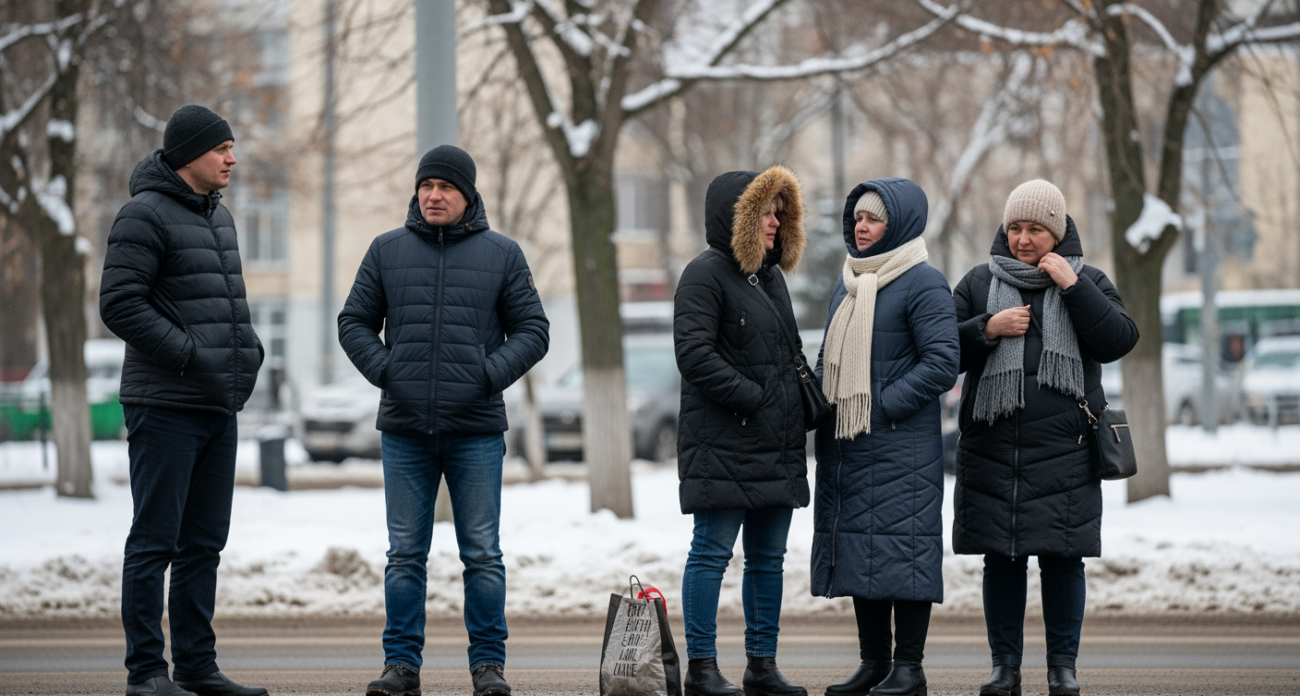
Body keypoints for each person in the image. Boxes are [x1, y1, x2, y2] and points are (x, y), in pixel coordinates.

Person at [338, 144, 549, 696]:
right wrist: (387, 371)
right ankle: (401, 667)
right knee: (404, 555)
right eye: (426, 185)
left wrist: (487, 374)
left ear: (468, 195)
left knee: (482, 554)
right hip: (405, 429)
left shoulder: (502, 254)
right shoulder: (386, 250)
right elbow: (353, 321)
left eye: (446, 186)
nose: (434, 195)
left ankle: (489, 667)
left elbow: (534, 330)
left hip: (476, 429)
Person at [100, 104, 267, 696]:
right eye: (221, 148)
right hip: (165, 403)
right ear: (189, 154)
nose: (232, 158)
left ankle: (196, 666)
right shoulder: (143, 214)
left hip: (216, 406)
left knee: (203, 545)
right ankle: (147, 672)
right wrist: (189, 354)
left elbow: (226, 306)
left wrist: (248, 354)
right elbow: (119, 303)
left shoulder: (219, 217)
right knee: (155, 542)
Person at [951, 180, 1138, 696]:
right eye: (1015, 227)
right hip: (994, 452)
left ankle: (1062, 669)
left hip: (1066, 452)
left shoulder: (1088, 279)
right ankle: (1004, 668)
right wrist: (987, 329)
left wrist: (1072, 288)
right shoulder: (978, 282)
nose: (1023, 239)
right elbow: (942, 351)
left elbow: (1119, 339)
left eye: (1035, 229)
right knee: (1001, 560)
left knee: (1063, 558)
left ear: (1056, 232)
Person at [811, 178, 960, 696]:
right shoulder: (849, 281)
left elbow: (942, 362)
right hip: (849, 444)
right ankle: (873, 663)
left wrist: (880, 406)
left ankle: (909, 668)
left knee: (905, 552)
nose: (862, 227)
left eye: (873, 219)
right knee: (860, 550)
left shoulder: (924, 282)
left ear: (899, 224)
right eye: (858, 218)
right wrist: (817, 397)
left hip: (902, 445)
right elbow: (829, 355)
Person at [673, 166, 810, 696]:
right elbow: (694, 355)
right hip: (724, 442)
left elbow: (787, 354)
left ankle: (762, 665)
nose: (775, 221)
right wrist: (754, 398)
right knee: (711, 553)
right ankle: (702, 669)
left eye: (779, 212)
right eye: (765, 212)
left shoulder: (771, 277)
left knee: (768, 561)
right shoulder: (704, 274)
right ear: (739, 218)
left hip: (776, 443)